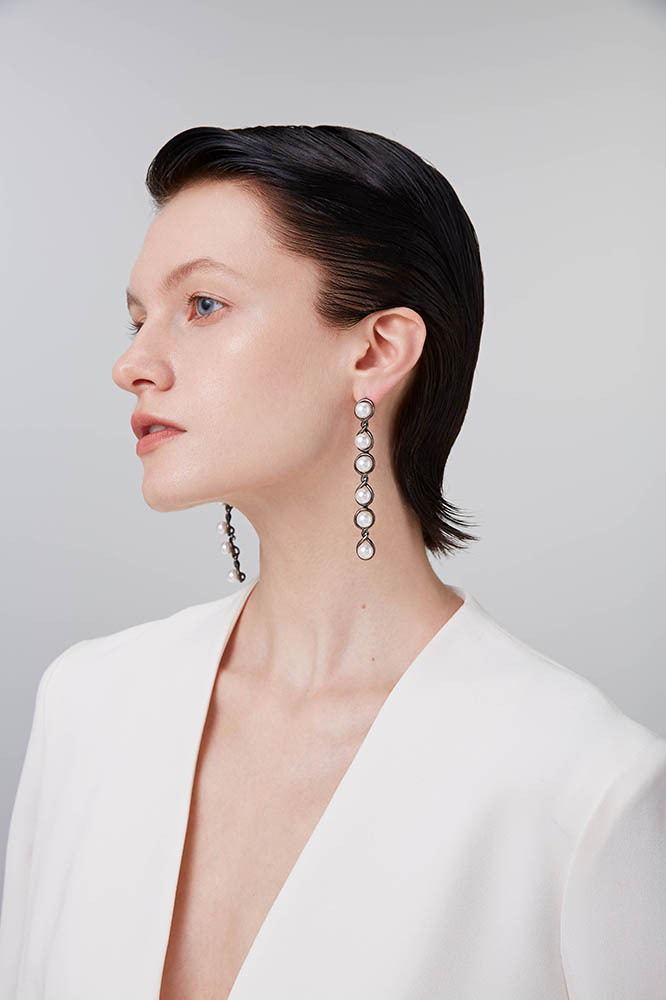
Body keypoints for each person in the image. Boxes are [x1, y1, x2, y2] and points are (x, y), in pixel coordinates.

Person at [0, 124, 664, 1000]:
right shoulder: (88, 707)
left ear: (377, 350)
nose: (133, 365)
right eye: (137, 319)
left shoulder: (581, 786)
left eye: (203, 305)